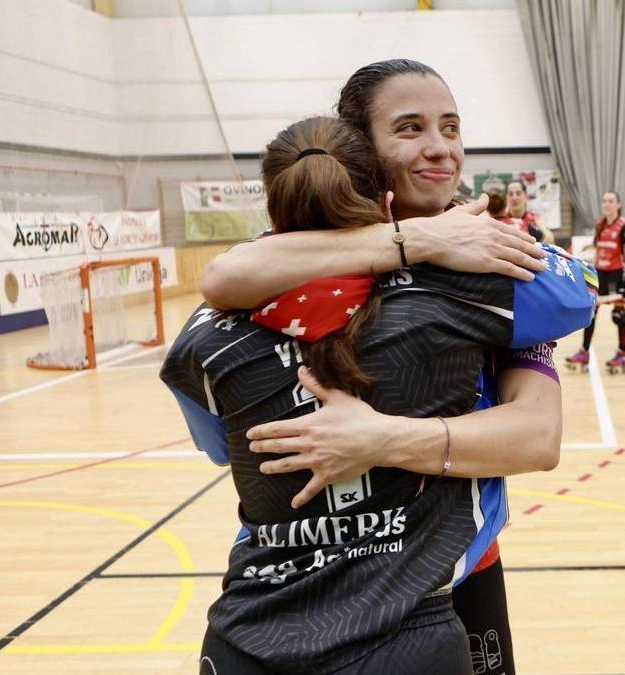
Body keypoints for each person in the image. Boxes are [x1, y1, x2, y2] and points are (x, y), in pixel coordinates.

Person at [197, 59, 584, 675]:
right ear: (361, 148)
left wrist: (380, 440)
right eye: (410, 128)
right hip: (305, 576)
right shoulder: (297, 253)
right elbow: (220, 278)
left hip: (452, 573)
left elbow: (537, 437)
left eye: (451, 127)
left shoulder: (492, 260)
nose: (441, 148)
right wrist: (413, 240)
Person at [565, 191, 625, 374]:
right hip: (600, 274)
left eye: (611, 201)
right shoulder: (600, 225)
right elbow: (598, 250)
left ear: (618, 204)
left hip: (616, 274)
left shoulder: (624, 226)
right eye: (605, 201)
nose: (607, 204)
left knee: (618, 315)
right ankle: (584, 352)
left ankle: (623, 353)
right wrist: (590, 273)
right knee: (591, 314)